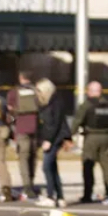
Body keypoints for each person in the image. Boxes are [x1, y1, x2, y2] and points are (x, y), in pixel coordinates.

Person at [72, 81, 108, 204]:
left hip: (91, 137)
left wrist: (70, 136)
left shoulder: (87, 105)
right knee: (107, 167)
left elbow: (77, 121)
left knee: (88, 166)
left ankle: (87, 194)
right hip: (107, 137)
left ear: (90, 91)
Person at [35, 79, 71, 208]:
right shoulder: (49, 102)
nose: (38, 93)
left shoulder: (55, 103)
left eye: (40, 90)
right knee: (53, 168)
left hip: (54, 138)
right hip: (52, 137)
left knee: (46, 167)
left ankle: (51, 196)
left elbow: (54, 124)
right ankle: (60, 197)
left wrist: (48, 140)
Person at [6, 71, 41, 199]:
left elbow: (10, 110)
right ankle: (31, 182)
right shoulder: (36, 91)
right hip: (35, 128)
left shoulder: (14, 92)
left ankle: (27, 186)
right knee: (33, 157)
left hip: (21, 128)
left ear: (20, 78)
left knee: (23, 158)